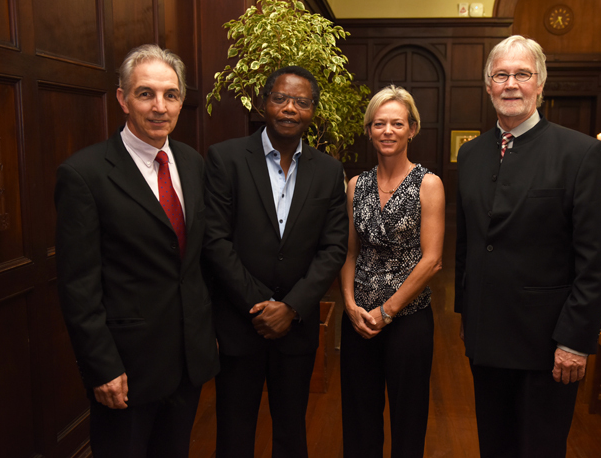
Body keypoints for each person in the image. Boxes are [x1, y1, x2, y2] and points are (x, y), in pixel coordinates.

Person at [55, 44, 219, 458]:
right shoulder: (84, 174)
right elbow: (79, 286)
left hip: (186, 363)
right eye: (146, 93)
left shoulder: (192, 163)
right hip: (126, 369)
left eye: (171, 94)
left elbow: (194, 263)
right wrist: (102, 367)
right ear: (122, 98)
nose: (160, 106)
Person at [454, 35, 601, 458]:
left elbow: (595, 261)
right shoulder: (470, 155)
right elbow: (467, 243)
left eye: (522, 74)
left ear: (540, 84)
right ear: (488, 85)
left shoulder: (581, 154)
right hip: (486, 337)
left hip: (547, 344)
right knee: (494, 445)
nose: (511, 84)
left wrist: (576, 340)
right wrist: (466, 315)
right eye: (501, 75)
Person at [204, 66, 349, 458]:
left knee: (291, 433)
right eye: (281, 99)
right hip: (239, 323)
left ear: (313, 111)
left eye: (302, 102)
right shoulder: (225, 159)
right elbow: (215, 240)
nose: (290, 109)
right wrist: (260, 306)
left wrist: (291, 308)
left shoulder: (329, 170)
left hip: (296, 327)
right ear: (263, 104)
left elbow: (334, 248)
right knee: (234, 434)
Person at [340, 85, 445, 458]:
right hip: (358, 322)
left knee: (408, 418)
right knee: (358, 416)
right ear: (368, 130)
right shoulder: (356, 185)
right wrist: (351, 306)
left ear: (412, 129)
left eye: (397, 123)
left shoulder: (428, 185)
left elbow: (432, 260)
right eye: (379, 123)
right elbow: (350, 253)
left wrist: (387, 312)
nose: (388, 131)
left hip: (408, 320)